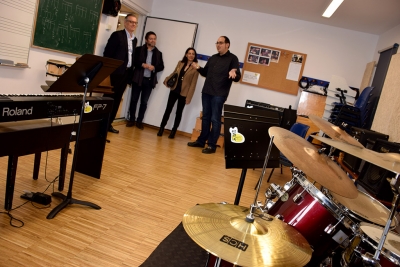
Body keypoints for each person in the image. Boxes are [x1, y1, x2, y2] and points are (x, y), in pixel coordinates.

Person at [187, 36, 241, 154]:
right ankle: (201, 141)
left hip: (219, 94)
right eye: (217, 43)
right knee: (206, 117)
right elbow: (205, 73)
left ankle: (212, 145)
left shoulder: (233, 58)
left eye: (221, 43)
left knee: (215, 119)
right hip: (207, 91)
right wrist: (198, 68)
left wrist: (234, 74)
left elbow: (237, 77)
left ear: (227, 45)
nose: (218, 45)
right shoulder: (213, 58)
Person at [103, 14, 138, 134]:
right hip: (115, 74)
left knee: (117, 100)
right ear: (125, 22)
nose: (133, 24)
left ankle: (109, 124)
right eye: (131, 22)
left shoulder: (134, 39)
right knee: (109, 99)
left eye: (135, 23)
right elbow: (107, 54)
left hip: (126, 74)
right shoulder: (117, 35)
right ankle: (101, 124)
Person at [158, 48, 200, 138]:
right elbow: (174, 73)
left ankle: (173, 131)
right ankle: (161, 128)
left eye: (193, 54)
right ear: (186, 54)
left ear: (194, 56)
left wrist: (189, 97)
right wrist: (167, 79)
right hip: (174, 89)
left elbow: (193, 84)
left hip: (184, 93)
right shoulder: (180, 63)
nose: (191, 55)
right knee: (168, 110)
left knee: (179, 113)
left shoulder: (196, 68)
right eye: (189, 53)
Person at [126, 31, 164, 130]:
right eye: (151, 38)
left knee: (144, 102)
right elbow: (134, 61)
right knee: (134, 100)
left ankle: (139, 121)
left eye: (154, 39)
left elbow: (161, 66)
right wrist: (142, 65)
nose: (153, 40)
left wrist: (154, 67)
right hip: (137, 79)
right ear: (146, 40)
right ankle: (131, 120)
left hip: (149, 80)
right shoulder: (138, 50)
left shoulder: (159, 53)